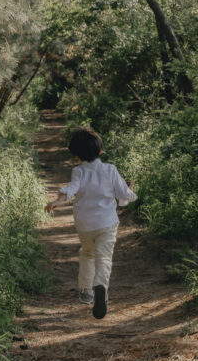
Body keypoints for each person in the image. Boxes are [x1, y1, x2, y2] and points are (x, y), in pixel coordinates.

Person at [45, 126, 136, 319]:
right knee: (103, 257)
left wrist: (57, 201)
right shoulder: (110, 169)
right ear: (100, 151)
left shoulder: (78, 172)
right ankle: (101, 285)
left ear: (76, 155)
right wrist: (130, 191)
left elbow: (71, 189)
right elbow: (122, 193)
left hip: (85, 224)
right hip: (107, 223)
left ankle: (86, 291)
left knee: (87, 253)